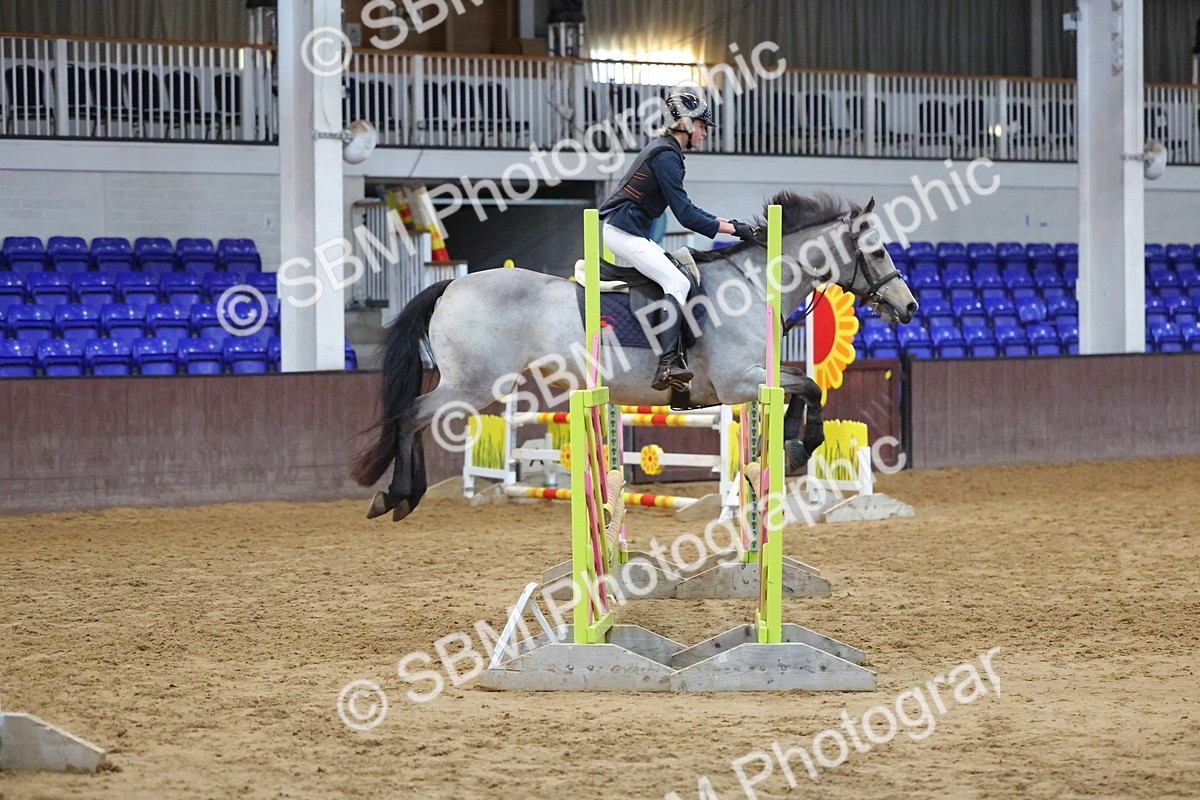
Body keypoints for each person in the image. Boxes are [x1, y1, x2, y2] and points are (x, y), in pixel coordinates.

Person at [599, 91, 758, 392]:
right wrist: (735, 230)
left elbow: (691, 210)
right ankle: (667, 364)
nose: (705, 132)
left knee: (678, 275)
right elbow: (686, 216)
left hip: (627, 231)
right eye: (702, 125)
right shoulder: (667, 156)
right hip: (624, 233)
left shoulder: (667, 152)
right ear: (684, 123)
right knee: (678, 283)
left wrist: (733, 225)